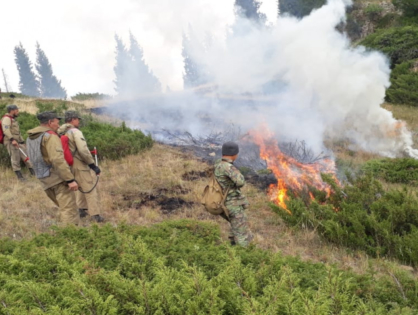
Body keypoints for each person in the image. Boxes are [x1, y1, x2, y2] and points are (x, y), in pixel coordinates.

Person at [26, 111, 80, 225]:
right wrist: (70, 179)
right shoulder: (50, 136)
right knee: (69, 210)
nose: (59, 125)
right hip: (57, 179)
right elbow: (57, 160)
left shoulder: (31, 137)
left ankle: (62, 236)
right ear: (50, 122)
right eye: (57, 122)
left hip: (43, 178)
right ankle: (71, 237)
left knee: (62, 208)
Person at [58, 111, 104, 222]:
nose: (79, 121)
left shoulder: (62, 132)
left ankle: (82, 209)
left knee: (80, 186)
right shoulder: (75, 131)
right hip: (79, 164)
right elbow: (83, 150)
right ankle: (95, 215)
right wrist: (92, 165)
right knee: (89, 188)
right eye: (78, 119)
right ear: (73, 119)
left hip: (68, 165)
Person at [214, 141, 253, 247]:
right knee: (242, 233)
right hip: (232, 203)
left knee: (234, 228)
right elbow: (240, 182)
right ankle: (242, 258)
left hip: (224, 202)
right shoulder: (228, 167)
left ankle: (232, 251)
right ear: (234, 154)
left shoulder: (218, 164)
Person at [1, 104, 35, 180]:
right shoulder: (6, 119)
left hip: (18, 142)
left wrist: (22, 142)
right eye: (16, 110)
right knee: (15, 159)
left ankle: (34, 174)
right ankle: (20, 177)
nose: (18, 112)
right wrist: (12, 140)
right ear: (12, 111)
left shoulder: (12, 119)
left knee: (26, 157)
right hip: (11, 142)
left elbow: (17, 133)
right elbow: (6, 130)